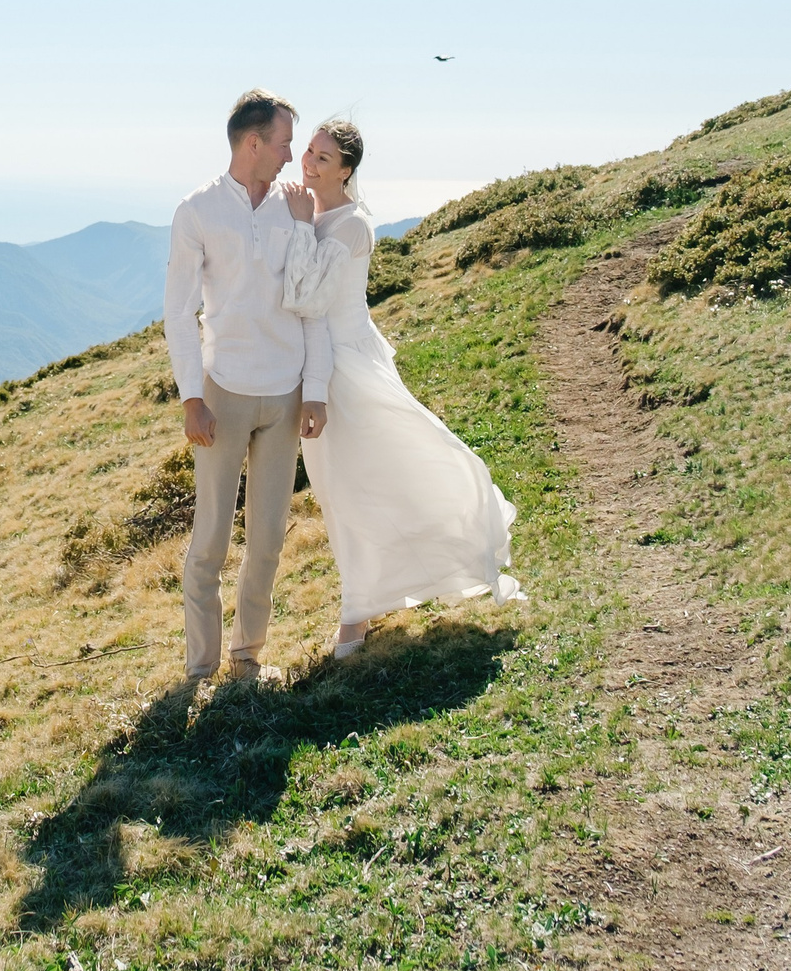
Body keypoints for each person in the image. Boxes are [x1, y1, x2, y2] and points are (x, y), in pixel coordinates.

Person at [280, 118, 525, 659]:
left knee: (363, 486)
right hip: (316, 368)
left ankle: (357, 615)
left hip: (348, 371)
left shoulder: (350, 226)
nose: (309, 163)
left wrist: (298, 225)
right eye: (310, 151)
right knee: (339, 491)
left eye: (324, 158)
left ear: (346, 170)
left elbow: (307, 298)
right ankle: (365, 602)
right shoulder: (309, 212)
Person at [163, 89, 332, 683]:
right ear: (254, 143)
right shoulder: (198, 211)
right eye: (284, 143)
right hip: (223, 392)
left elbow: (311, 302)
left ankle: (246, 659)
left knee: (267, 541)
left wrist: (316, 390)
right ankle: (200, 669)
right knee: (209, 539)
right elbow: (179, 312)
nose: (292, 156)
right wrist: (192, 398)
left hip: (285, 394)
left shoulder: (297, 208)